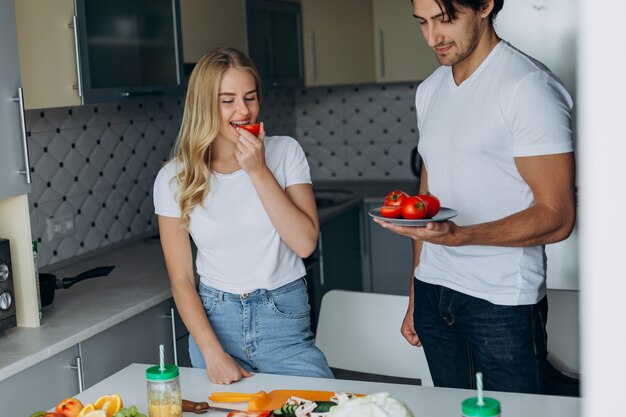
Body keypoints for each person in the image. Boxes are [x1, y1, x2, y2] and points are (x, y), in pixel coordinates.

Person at [373, 0, 576, 393]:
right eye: (422, 23)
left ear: (484, 6)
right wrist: (417, 291)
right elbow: (428, 197)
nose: (433, 37)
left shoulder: (527, 87)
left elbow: (557, 216)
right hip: (435, 294)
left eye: (445, 20)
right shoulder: (430, 90)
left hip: (500, 301)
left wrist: (460, 236)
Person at [153, 47, 333, 384]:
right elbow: (181, 279)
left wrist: (258, 170)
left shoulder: (284, 153)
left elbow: (305, 243)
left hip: (284, 326)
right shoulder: (174, 179)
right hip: (215, 329)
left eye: (250, 98)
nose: (244, 110)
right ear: (204, 105)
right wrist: (212, 353)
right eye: (228, 100)